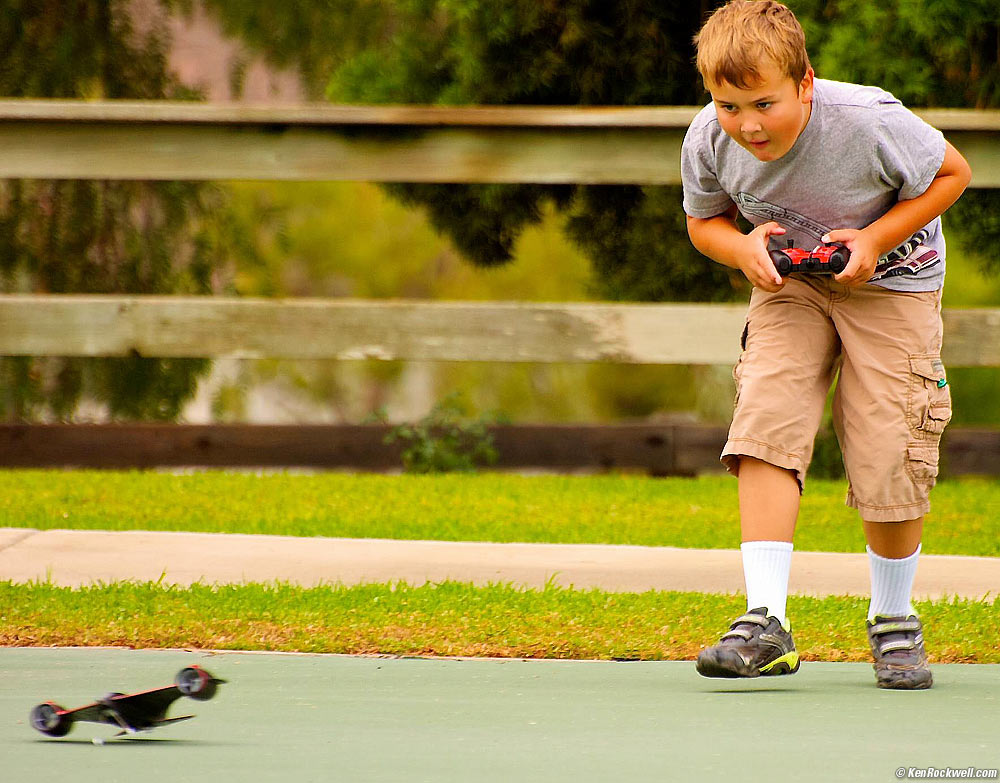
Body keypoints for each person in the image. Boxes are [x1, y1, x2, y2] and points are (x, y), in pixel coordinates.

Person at [680, 0, 971, 689]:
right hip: (793, 286)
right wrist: (741, 245)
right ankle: (765, 620)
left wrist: (873, 240)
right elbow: (704, 224)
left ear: (805, 82)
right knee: (766, 415)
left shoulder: (868, 121)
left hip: (893, 282)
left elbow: (953, 173)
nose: (747, 124)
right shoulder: (708, 138)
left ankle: (893, 618)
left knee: (888, 439)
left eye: (763, 103)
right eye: (727, 105)